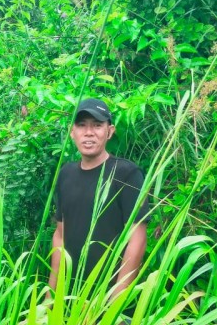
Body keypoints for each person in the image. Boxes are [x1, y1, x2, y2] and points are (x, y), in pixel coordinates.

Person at [49, 98, 148, 301]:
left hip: (107, 300)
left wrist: (115, 304)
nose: (89, 132)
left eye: (97, 125)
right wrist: (51, 298)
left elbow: (137, 238)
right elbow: (60, 235)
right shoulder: (65, 173)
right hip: (69, 298)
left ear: (110, 131)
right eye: (82, 125)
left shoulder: (127, 173)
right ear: (72, 132)